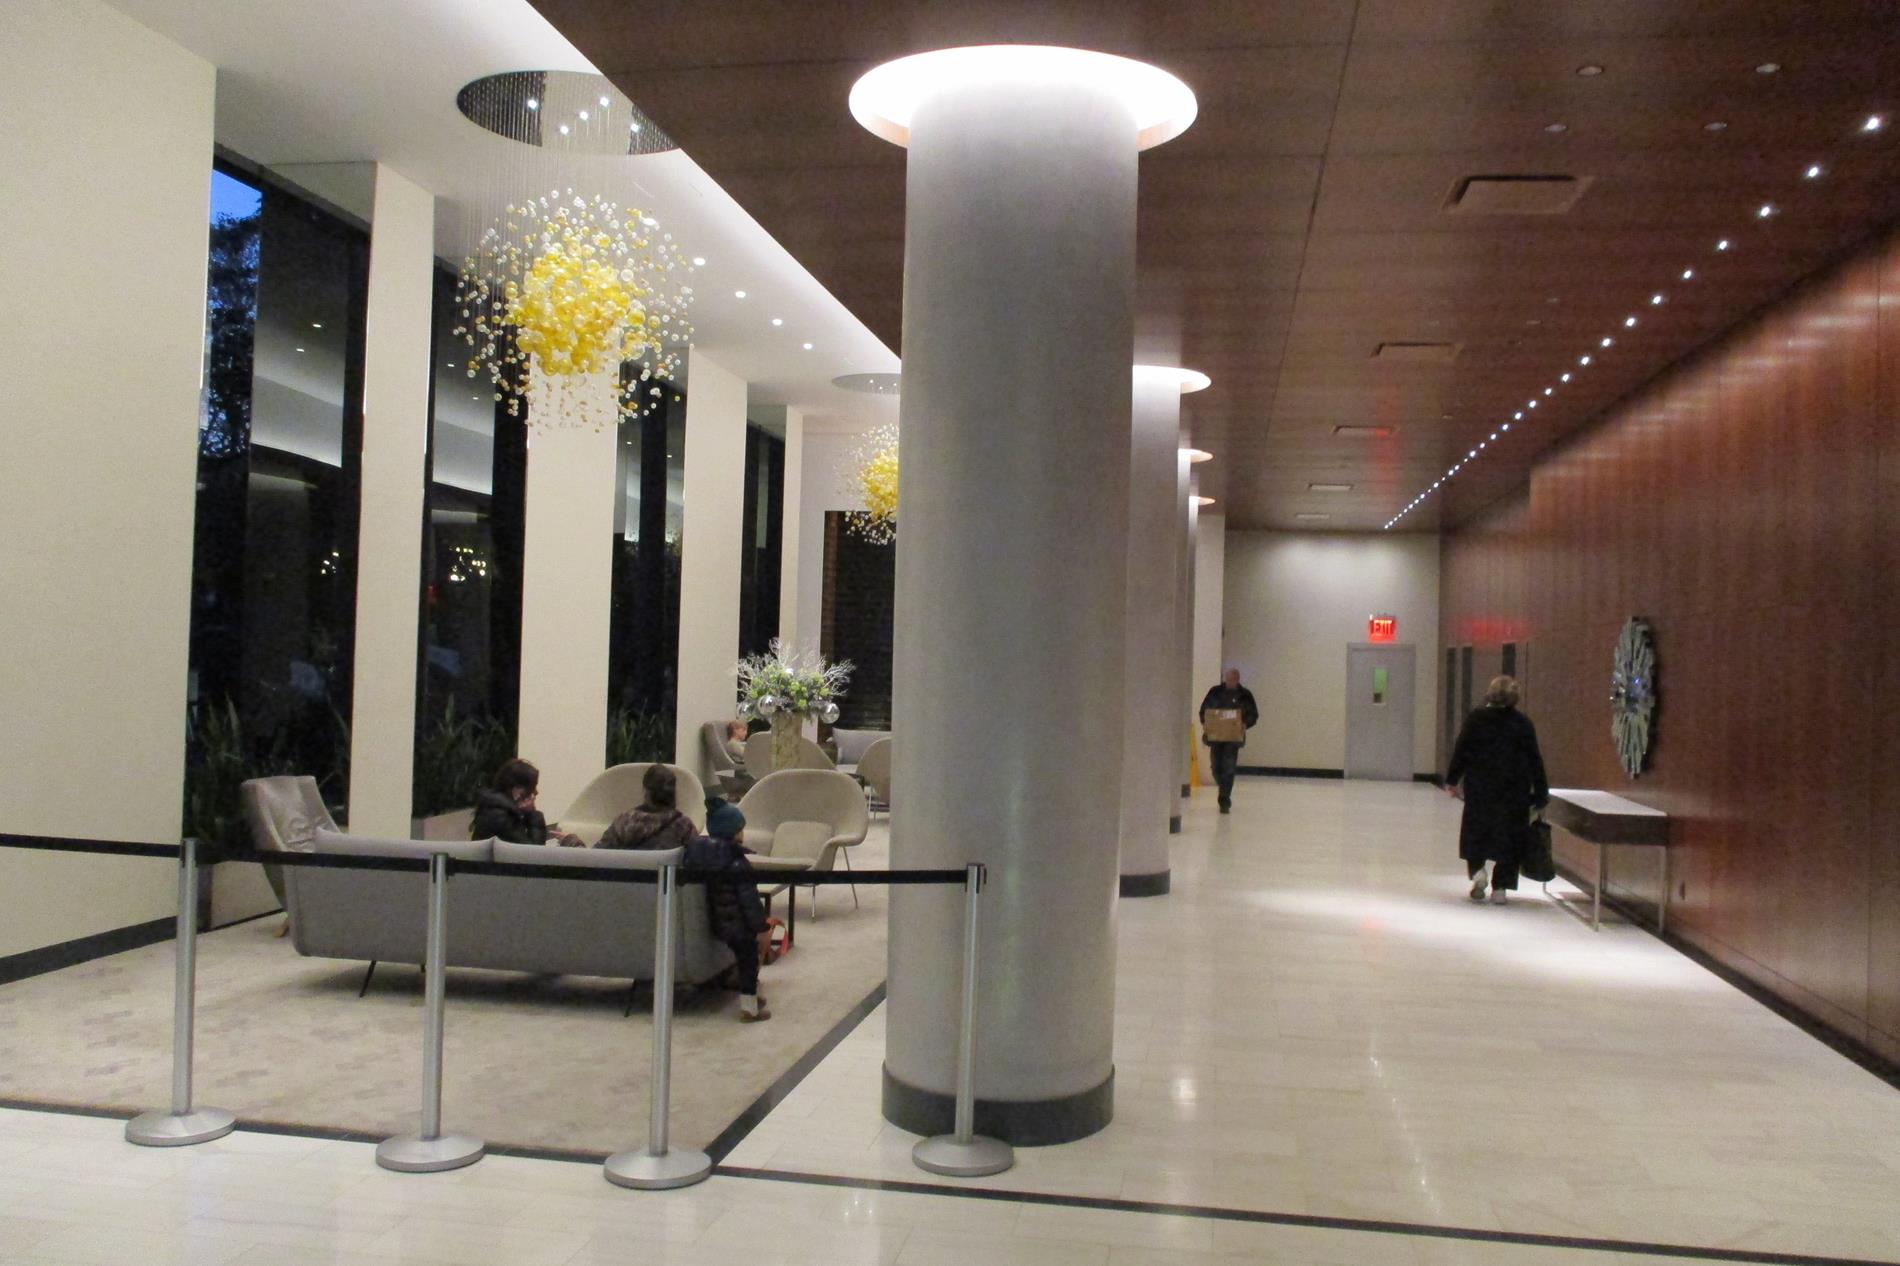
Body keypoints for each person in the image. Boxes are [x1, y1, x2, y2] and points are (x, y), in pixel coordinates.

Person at [1446, 675, 1549, 905]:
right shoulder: (1522, 724)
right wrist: (1541, 792)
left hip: (1480, 788)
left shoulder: (1476, 719)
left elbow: (1462, 750)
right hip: (1514, 791)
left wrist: (1452, 779)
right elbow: (1535, 759)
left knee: (1476, 831)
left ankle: (1478, 873)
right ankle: (1501, 887)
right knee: (1510, 838)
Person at [686, 798, 774, 1022]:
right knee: (749, 962)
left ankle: (749, 997)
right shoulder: (737, 862)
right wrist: (762, 927)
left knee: (743, 959)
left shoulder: (704, 857)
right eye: (740, 829)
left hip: (720, 922)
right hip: (739, 925)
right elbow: (749, 901)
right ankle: (750, 1008)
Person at [470, 758, 582, 847]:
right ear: (517, 790)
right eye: (532, 787)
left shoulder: (496, 810)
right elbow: (532, 854)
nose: (536, 792)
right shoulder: (500, 817)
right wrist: (533, 814)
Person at [1198, 667, 1259, 814]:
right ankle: (1223, 787)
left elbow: (1253, 715)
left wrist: (1245, 723)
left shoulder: (1245, 695)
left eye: (1232, 679)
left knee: (1229, 768)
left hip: (1233, 739)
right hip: (1216, 738)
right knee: (1216, 768)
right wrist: (1206, 722)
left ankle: (1224, 800)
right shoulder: (1215, 692)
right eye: (1227, 679)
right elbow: (1204, 711)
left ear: (1237, 680)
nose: (1229, 682)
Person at [597, 764, 698, 852]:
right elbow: (698, 860)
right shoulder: (684, 826)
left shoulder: (624, 823)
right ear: (673, 794)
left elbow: (598, 856)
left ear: (646, 792)